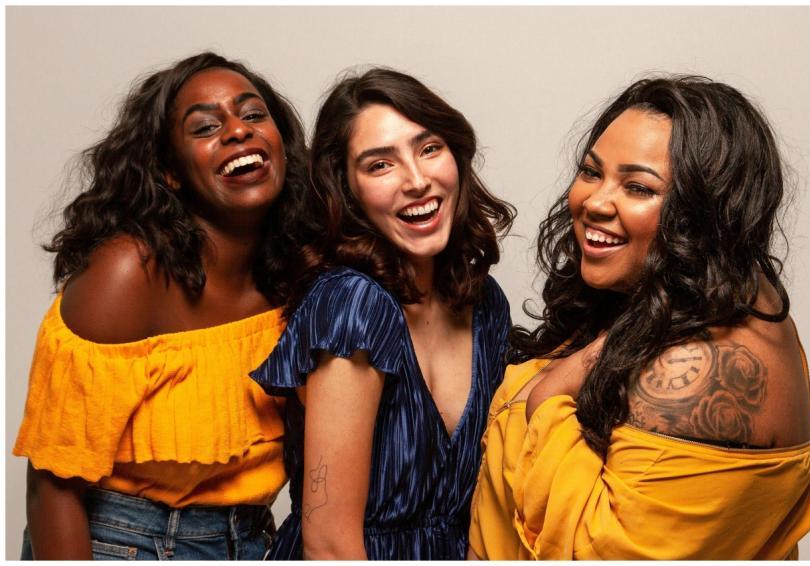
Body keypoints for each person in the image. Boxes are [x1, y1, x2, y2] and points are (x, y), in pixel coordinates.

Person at [468, 76, 810, 560]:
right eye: (591, 172)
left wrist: (550, 392)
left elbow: (595, 553)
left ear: (703, 212)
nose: (594, 202)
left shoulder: (703, 372)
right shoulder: (668, 293)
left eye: (638, 187)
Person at [14, 51, 311, 560]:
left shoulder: (297, 268)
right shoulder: (128, 274)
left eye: (254, 114)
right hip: (123, 544)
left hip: (254, 541)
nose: (239, 131)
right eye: (205, 127)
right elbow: (52, 490)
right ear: (170, 173)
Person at [250, 67, 515, 560]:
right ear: (346, 190)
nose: (416, 181)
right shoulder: (352, 304)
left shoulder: (484, 302)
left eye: (429, 148)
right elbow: (329, 544)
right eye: (380, 165)